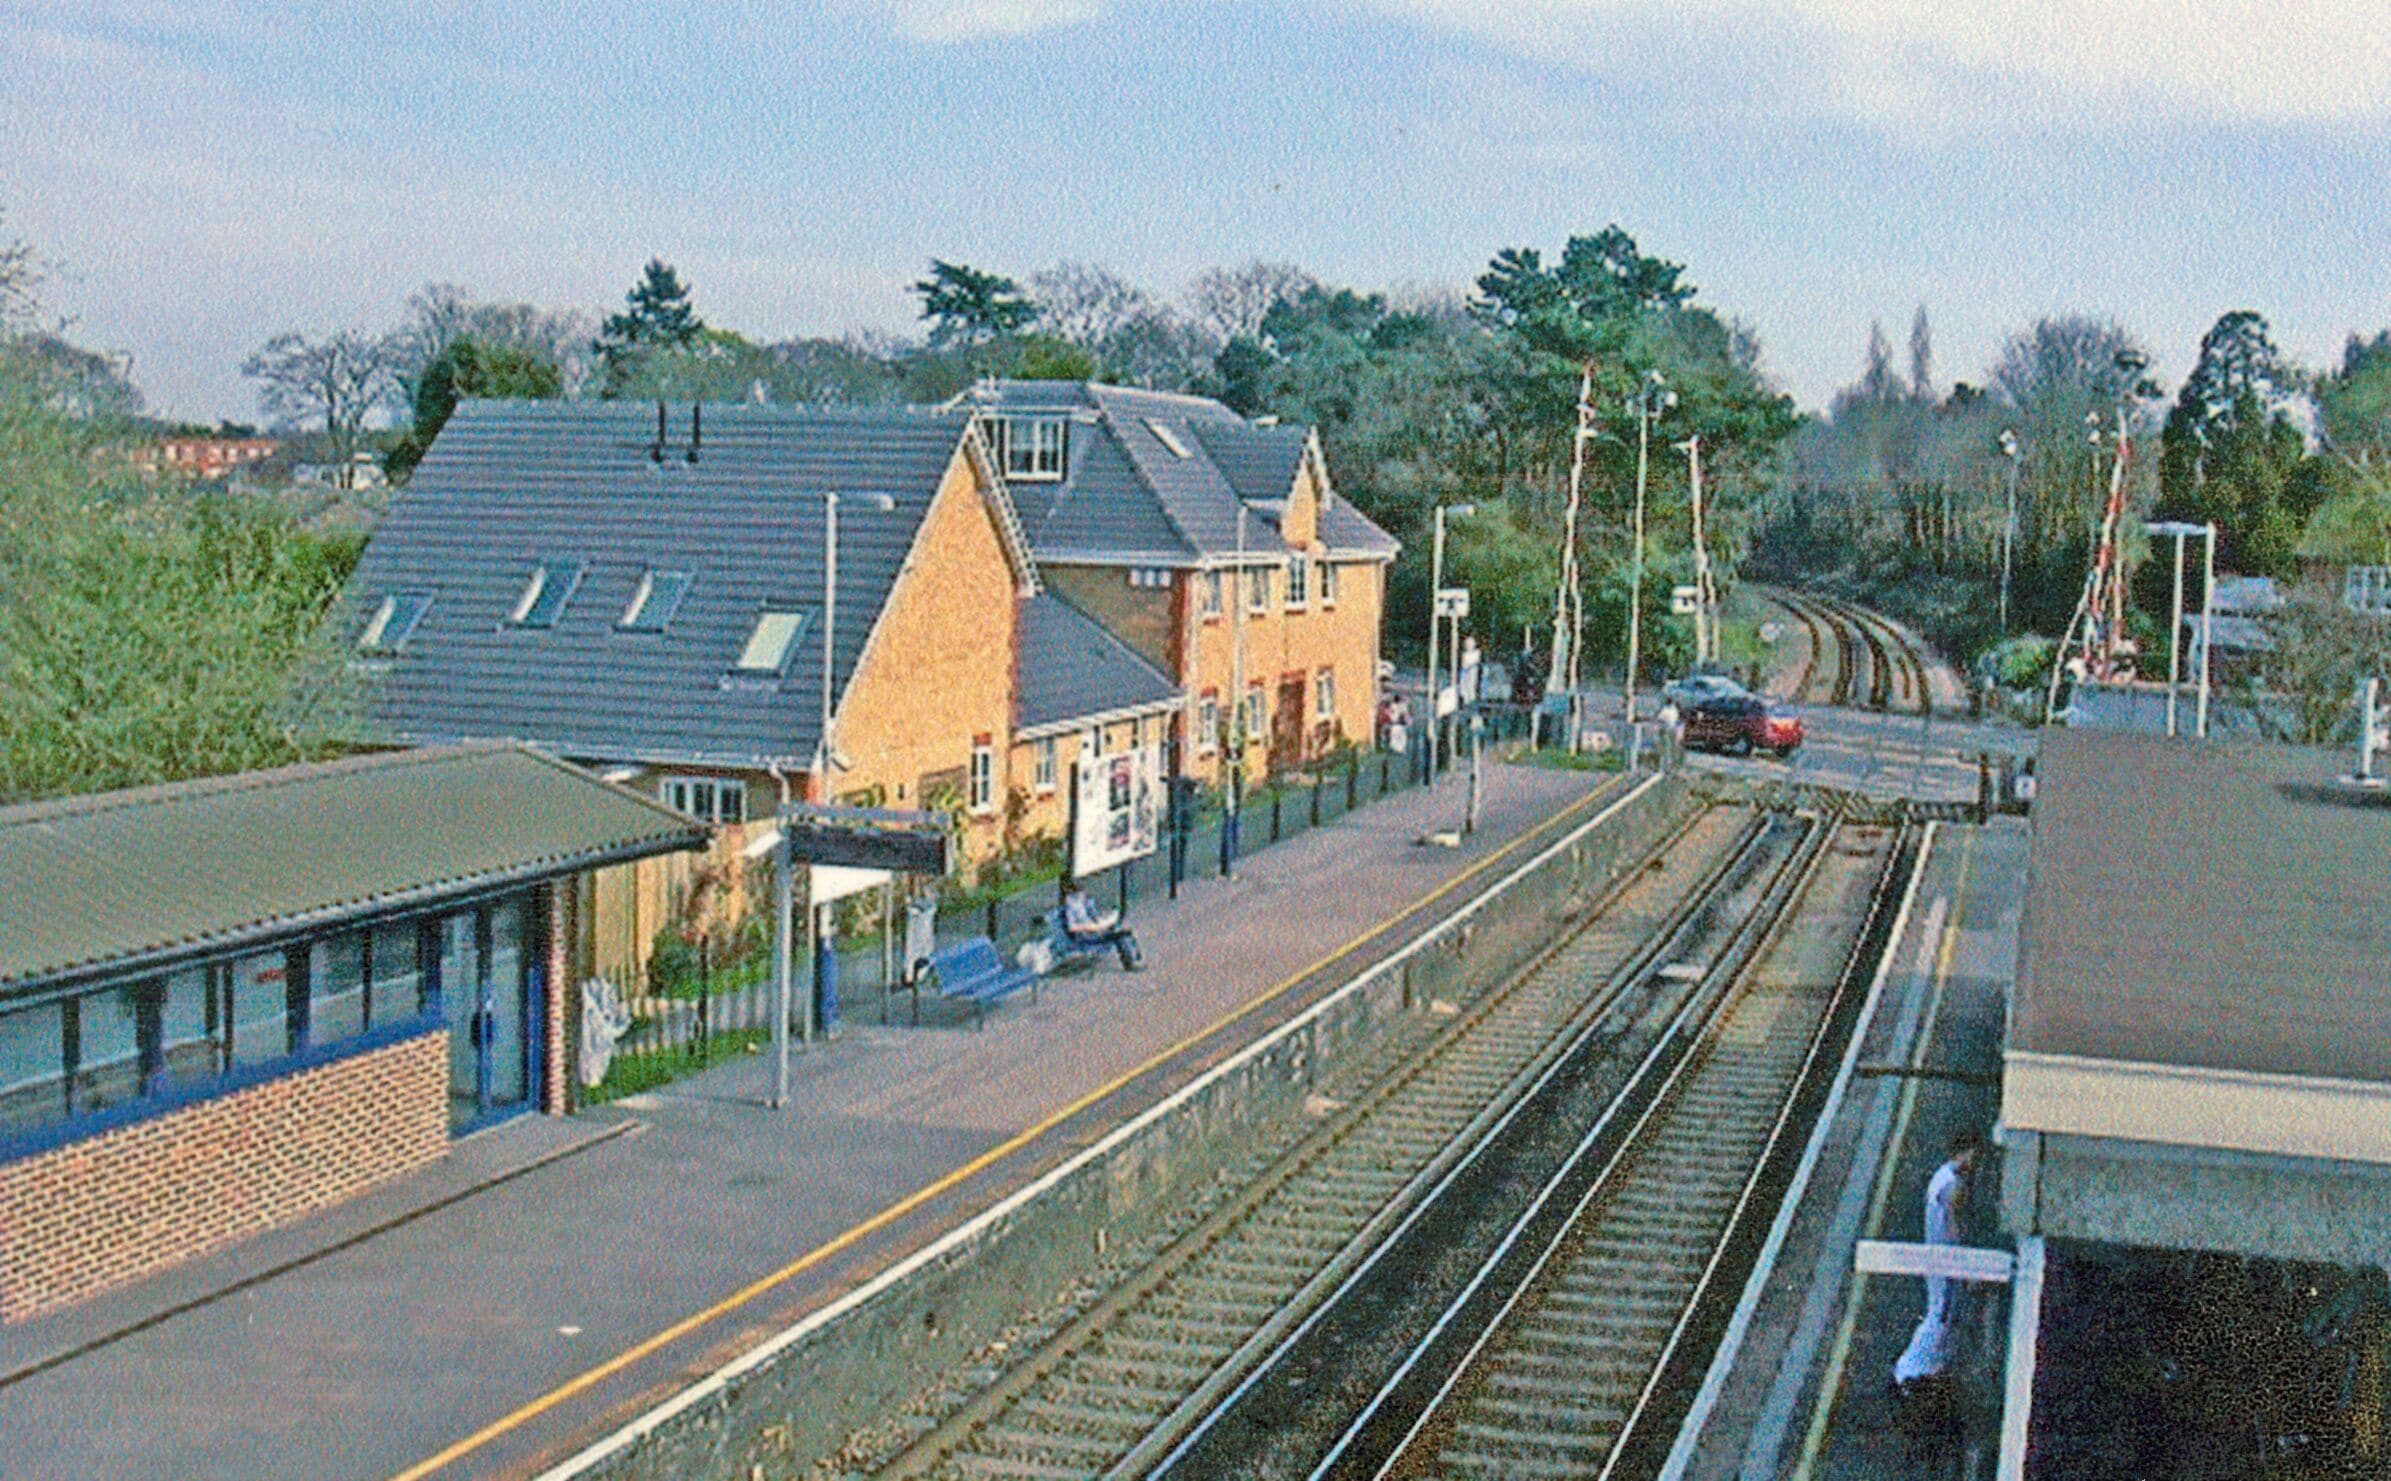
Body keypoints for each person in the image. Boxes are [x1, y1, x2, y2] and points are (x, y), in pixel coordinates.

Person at [1893, 1132, 1985, 1408]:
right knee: (1941, 1314)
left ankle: (1931, 1366)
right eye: (1973, 1154)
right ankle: (1913, 1369)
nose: (1976, 1161)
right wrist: (1965, 1266)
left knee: (1942, 1311)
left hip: (1937, 1256)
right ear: (1963, 1152)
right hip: (1945, 1259)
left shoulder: (1941, 1177)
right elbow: (1954, 1226)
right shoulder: (1953, 1185)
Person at [1062, 884, 1143, 970]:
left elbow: (1095, 917)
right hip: (1086, 935)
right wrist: (1091, 927)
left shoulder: (1085, 903)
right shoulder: (1071, 907)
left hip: (1096, 930)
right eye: (1080, 892)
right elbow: (1072, 927)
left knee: (1124, 932)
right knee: (1119, 935)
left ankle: (1135, 958)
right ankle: (1130, 963)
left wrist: (1103, 922)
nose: (1083, 893)